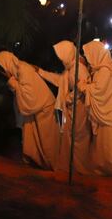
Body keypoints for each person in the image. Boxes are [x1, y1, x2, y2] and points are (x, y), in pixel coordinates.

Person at [0, 51, 59, 169]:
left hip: (44, 109)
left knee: (46, 141)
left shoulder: (23, 69)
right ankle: (36, 162)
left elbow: (29, 96)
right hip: (37, 109)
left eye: (2, 68)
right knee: (32, 139)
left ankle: (53, 165)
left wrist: (12, 82)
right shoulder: (19, 71)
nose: (2, 72)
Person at [37, 41, 92, 174]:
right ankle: (70, 168)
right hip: (73, 109)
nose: (61, 60)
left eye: (62, 57)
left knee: (78, 140)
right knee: (71, 138)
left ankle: (79, 169)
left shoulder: (78, 69)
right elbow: (59, 80)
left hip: (79, 110)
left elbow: (82, 89)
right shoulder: (72, 68)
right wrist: (41, 72)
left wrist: (67, 99)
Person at [80, 41, 112, 177]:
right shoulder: (102, 69)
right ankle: (107, 171)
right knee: (106, 146)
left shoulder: (105, 70)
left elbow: (99, 91)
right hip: (108, 113)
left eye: (89, 55)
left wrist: (84, 86)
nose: (87, 59)